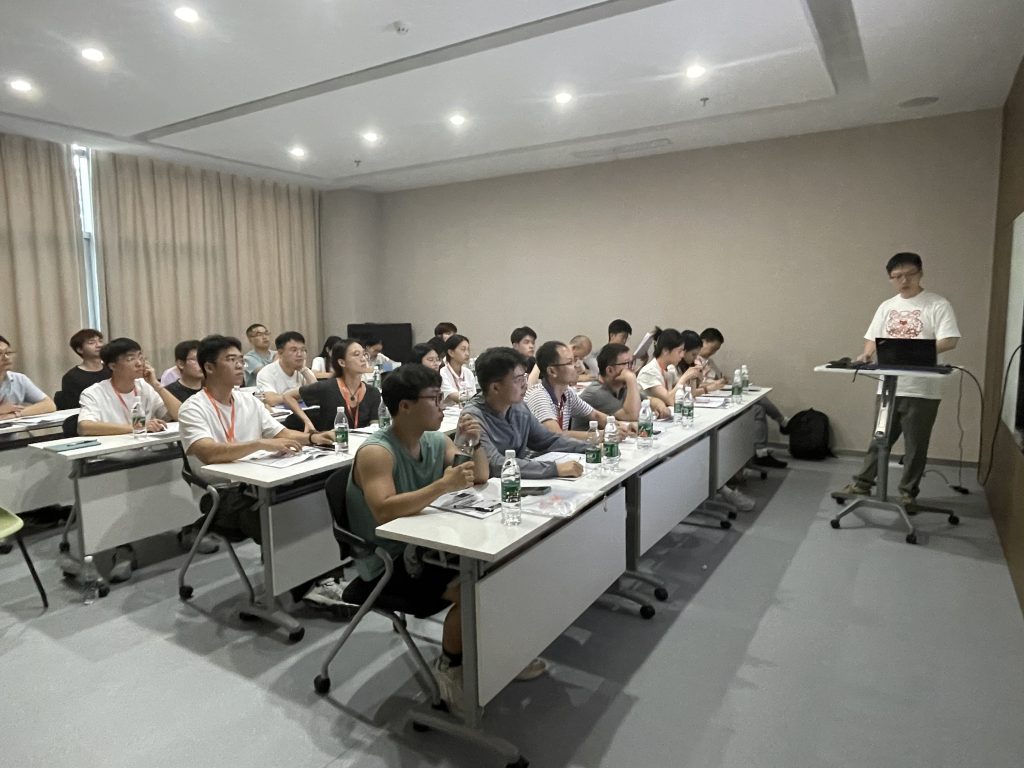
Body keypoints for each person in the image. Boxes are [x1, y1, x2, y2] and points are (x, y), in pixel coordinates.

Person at [346, 364, 544, 715]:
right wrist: (442, 485)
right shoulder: (377, 452)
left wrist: (475, 441)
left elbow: (479, 475)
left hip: (427, 544)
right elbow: (384, 511)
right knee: (476, 589)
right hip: (388, 561)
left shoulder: (435, 440)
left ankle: (496, 654)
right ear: (405, 406)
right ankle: (450, 666)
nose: (443, 407)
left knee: (504, 570)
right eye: (435, 399)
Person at [177, 335, 345, 611]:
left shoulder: (247, 401)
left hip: (261, 483)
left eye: (240, 360)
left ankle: (322, 578)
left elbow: (281, 433)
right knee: (287, 518)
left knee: (314, 502)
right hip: (222, 495)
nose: (239, 365)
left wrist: (313, 437)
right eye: (231, 360)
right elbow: (207, 452)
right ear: (209, 367)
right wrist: (260, 444)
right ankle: (306, 586)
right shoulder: (193, 408)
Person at [842, 252, 960, 507]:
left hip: (922, 389)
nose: (904, 281)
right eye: (897, 276)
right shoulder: (887, 306)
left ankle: (908, 493)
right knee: (879, 439)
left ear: (920, 273)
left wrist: (915, 353)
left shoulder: (937, 304)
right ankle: (863, 484)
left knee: (915, 445)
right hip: (888, 386)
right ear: (890, 278)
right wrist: (867, 354)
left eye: (909, 274)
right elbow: (872, 338)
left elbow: (950, 340)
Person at [76, 337, 185, 581]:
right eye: (130, 358)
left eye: (140, 356)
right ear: (112, 365)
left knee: (181, 468)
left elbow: (179, 415)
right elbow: (85, 426)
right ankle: (122, 549)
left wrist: (156, 384)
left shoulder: (145, 387)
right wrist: (137, 426)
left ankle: (190, 528)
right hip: (113, 462)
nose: (139, 362)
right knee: (117, 498)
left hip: (150, 455)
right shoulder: (95, 392)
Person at [462, 347, 586, 479]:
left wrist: (590, 448)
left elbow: (548, 440)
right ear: (495, 387)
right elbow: (495, 465)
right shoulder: (472, 417)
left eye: (524, 377)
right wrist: (554, 469)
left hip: (516, 481)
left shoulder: (518, 407)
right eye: (518, 379)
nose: (525, 385)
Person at [697, 327, 789, 469]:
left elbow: (718, 377)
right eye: (712, 348)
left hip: (718, 394)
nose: (713, 352)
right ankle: (782, 422)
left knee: (758, 406)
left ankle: (761, 451)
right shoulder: (693, 361)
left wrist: (722, 380)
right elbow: (696, 384)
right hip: (707, 399)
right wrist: (715, 383)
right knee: (757, 405)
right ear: (703, 341)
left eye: (716, 350)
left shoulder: (709, 362)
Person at [525, 340, 618, 439]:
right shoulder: (538, 396)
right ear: (552, 371)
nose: (576, 366)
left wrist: (618, 427)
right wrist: (600, 435)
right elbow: (556, 436)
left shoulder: (567, 393)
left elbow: (595, 415)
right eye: (570, 363)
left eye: (575, 360)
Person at [284, 339, 382, 432]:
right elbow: (288, 396)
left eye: (364, 354)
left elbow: (374, 426)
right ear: (342, 362)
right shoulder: (327, 387)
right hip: (332, 441)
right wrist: (307, 421)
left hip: (361, 442)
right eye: (356, 354)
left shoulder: (373, 392)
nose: (363, 359)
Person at [573, 343, 644, 428]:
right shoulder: (596, 393)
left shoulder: (620, 387)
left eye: (632, 362)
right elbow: (632, 416)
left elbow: (647, 401)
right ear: (610, 370)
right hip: (590, 436)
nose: (631, 368)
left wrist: (656, 404)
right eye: (627, 363)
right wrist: (631, 378)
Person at [636, 328, 702, 416]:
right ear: (665, 351)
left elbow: (689, 397)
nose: (682, 355)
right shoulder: (649, 372)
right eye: (679, 351)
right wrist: (685, 377)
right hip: (648, 419)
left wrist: (693, 378)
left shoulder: (670, 370)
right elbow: (670, 400)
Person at [0, 335, 56, 420]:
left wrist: (16, 414)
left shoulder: (19, 379)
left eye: (8, 353)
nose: (6, 357)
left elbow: (49, 405)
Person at [255, 331, 316, 406]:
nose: (300, 354)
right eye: (294, 350)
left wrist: (304, 371)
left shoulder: (303, 370)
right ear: (280, 353)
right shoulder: (266, 372)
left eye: (302, 350)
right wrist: (299, 394)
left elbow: (318, 392)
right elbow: (270, 399)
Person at [61, 328, 111, 406]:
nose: (99, 345)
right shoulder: (71, 377)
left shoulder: (112, 369)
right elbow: (73, 407)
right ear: (80, 350)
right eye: (91, 342)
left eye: (100, 341)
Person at [439, 334, 478, 405]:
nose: (467, 354)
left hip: (467, 409)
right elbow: (455, 396)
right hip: (448, 411)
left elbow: (474, 396)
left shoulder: (468, 372)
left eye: (468, 350)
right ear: (451, 353)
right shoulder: (443, 373)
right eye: (463, 349)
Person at [242, 323, 275, 387]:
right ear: (250, 339)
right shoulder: (247, 359)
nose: (265, 337)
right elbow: (265, 375)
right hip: (257, 392)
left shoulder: (276, 354)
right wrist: (278, 358)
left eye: (266, 333)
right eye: (259, 334)